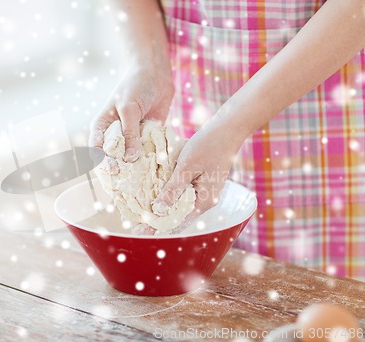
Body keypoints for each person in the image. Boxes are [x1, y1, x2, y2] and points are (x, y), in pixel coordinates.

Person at [89, 0, 365, 281]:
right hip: (191, 99)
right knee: (218, 296)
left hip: (322, 99)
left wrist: (231, 125)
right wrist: (147, 61)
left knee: (316, 295)